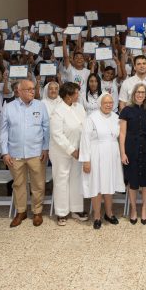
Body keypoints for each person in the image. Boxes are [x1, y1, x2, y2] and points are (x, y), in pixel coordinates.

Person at [0, 79, 50, 228]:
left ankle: (37, 211)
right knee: (18, 183)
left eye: (33, 89)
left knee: (38, 184)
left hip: (36, 152)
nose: (32, 91)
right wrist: (4, 153)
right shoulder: (8, 108)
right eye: (28, 89)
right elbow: (3, 132)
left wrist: (45, 148)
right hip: (15, 154)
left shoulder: (40, 106)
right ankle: (21, 212)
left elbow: (46, 128)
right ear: (18, 91)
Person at [79, 93, 125, 229]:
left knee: (109, 185)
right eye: (106, 103)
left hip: (112, 155)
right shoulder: (91, 118)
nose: (109, 105)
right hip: (96, 155)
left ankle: (109, 213)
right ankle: (97, 215)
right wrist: (86, 161)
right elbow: (85, 141)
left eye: (111, 102)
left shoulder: (117, 118)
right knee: (96, 186)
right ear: (100, 103)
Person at [49, 82, 89, 226]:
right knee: (61, 180)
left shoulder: (78, 107)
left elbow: (84, 126)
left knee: (76, 178)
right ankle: (61, 212)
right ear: (68, 96)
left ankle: (76, 209)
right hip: (62, 152)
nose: (78, 95)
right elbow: (57, 134)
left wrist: (83, 148)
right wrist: (72, 150)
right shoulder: (58, 111)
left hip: (79, 151)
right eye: (76, 93)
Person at [119, 83, 146, 224]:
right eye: (138, 92)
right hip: (131, 147)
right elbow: (122, 133)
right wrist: (123, 153)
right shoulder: (126, 110)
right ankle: (134, 209)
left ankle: (144, 209)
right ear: (133, 94)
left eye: (143, 92)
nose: (140, 95)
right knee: (133, 180)